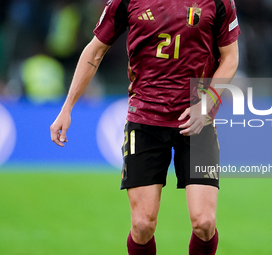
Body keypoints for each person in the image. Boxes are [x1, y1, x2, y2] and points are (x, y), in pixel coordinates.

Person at [50, 0, 240, 254]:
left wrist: (206, 104)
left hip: (197, 119)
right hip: (145, 118)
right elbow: (95, 51)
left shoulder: (219, 2)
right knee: (142, 225)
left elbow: (230, 58)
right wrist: (67, 108)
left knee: (204, 222)